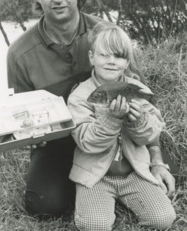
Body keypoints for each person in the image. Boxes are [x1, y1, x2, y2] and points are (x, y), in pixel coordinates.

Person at [7, 0, 175, 218]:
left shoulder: (106, 37)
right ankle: (93, 189)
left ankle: (126, 180)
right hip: (62, 140)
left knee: (170, 164)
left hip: (122, 129)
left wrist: (157, 159)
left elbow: (140, 97)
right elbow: (21, 114)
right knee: (44, 204)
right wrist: (28, 135)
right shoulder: (19, 53)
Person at [67, 22, 176, 230]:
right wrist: (112, 119)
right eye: (104, 55)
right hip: (95, 176)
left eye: (118, 56)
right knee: (94, 225)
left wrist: (139, 120)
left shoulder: (137, 89)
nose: (111, 61)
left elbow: (151, 135)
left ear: (127, 62)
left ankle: (128, 199)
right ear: (91, 58)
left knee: (163, 219)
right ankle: (97, 205)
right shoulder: (80, 96)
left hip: (134, 172)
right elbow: (87, 142)